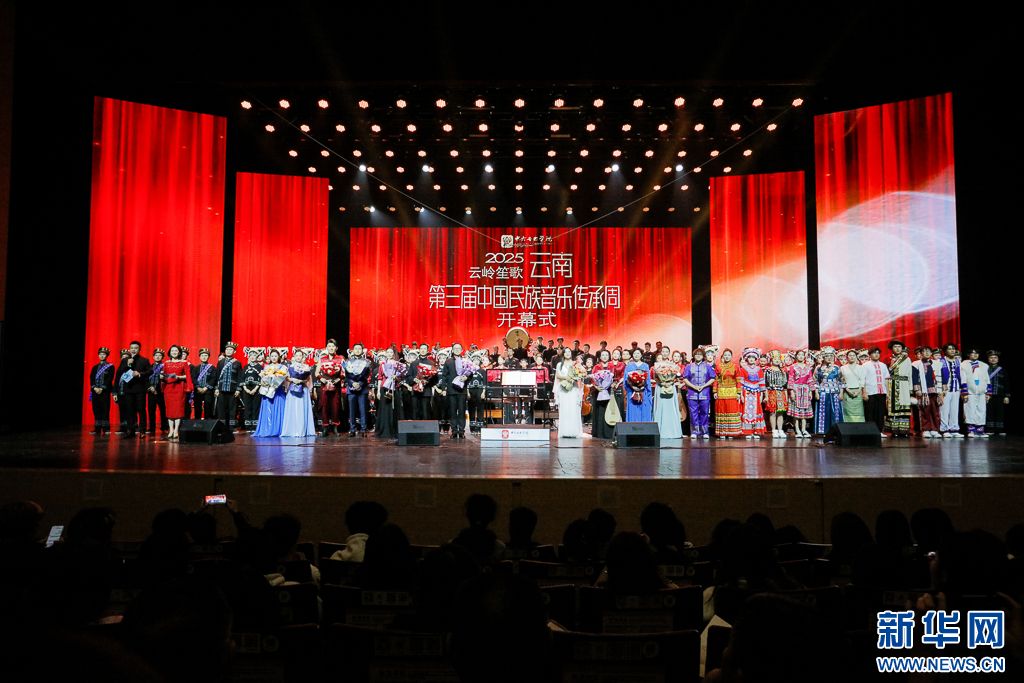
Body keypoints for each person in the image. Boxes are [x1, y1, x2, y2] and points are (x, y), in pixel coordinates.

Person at [115, 341, 153, 438]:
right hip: (128, 389)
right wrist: (127, 364)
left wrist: (140, 374)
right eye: (132, 348)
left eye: (136, 348)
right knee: (129, 410)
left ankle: (142, 430)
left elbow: (150, 371)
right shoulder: (125, 360)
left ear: (140, 349)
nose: (133, 350)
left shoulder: (144, 360)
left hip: (140, 389)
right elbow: (119, 372)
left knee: (141, 410)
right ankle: (130, 430)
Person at [440, 342, 474, 439]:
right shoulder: (448, 361)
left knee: (462, 411)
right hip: (451, 390)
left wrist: (466, 378)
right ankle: (454, 431)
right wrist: (443, 388)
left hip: (462, 390)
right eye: (455, 348)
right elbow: (444, 376)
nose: (457, 350)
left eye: (459, 348)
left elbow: (471, 374)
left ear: (462, 350)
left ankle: (462, 431)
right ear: (452, 350)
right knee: (452, 411)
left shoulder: (465, 361)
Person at [160, 345, 194, 440]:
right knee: (169, 410)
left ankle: (176, 431)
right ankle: (171, 430)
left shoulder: (184, 363)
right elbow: (164, 375)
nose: (174, 352)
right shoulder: (166, 363)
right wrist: (162, 378)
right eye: (172, 351)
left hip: (179, 388)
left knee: (178, 410)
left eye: (176, 351)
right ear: (170, 352)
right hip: (168, 388)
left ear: (179, 352)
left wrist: (178, 377)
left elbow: (187, 376)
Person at [281, 349, 316, 437]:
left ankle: (302, 430)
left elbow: (308, 379)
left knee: (302, 408)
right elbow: (287, 378)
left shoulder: (306, 367)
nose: (298, 357)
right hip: (292, 388)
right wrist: (293, 379)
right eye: (297, 355)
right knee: (292, 408)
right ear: (294, 356)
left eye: (300, 356)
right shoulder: (289, 366)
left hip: (303, 388)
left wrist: (301, 380)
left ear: (303, 357)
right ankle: (291, 430)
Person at [683, 347, 715, 438]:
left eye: (700, 355)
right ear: (694, 356)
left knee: (705, 413)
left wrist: (704, 386)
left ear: (703, 356)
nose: (698, 356)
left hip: (704, 393)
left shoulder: (707, 366)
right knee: (693, 413)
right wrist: (693, 386)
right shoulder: (689, 366)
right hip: (692, 393)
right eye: (696, 354)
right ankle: (694, 431)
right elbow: (685, 378)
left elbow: (713, 378)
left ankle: (705, 432)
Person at [254, 349, 287, 437]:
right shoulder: (266, 367)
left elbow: (284, 380)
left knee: (279, 409)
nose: (274, 358)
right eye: (272, 356)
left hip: (278, 391)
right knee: (268, 409)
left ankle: (279, 430)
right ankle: (267, 429)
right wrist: (264, 383)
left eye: (275, 356)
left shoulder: (283, 367)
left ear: (279, 357)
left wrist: (277, 383)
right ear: (269, 357)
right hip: (268, 391)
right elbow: (262, 380)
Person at [960, 347, 992, 437]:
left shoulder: (983, 365)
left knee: (981, 409)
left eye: (976, 353)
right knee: (970, 409)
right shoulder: (964, 365)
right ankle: (971, 430)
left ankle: (980, 429)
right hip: (970, 390)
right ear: (968, 354)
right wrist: (965, 392)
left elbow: (987, 379)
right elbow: (963, 378)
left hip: (981, 390)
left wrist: (988, 393)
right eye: (972, 353)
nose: (975, 355)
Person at [316, 339, 344, 436]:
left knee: (335, 406)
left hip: (336, 385)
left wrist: (338, 379)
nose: (331, 348)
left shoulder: (340, 359)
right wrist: (321, 378)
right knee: (325, 406)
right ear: (326, 348)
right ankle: (325, 427)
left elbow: (344, 373)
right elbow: (316, 372)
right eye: (329, 346)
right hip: (325, 385)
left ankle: (335, 427)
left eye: (333, 346)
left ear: (336, 348)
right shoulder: (322, 359)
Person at [375, 347, 405, 438]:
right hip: (385, 388)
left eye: (391, 352)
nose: (389, 354)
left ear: (393, 354)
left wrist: (396, 377)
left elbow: (401, 378)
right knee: (385, 409)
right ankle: (385, 429)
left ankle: (395, 429)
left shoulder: (398, 365)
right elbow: (380, 378)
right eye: (387, 352)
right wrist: (378, 391)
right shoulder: (382, 365)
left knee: (394, 408)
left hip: (395, 388)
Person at [814, 346, 845, 434]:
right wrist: (816, 393)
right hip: (823, 392)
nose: (829, 358)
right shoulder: (818, 368)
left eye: (831, 356)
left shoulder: (837, 368)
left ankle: (836, 431)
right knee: (823, 412)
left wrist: (841, 393)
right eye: (827, 356)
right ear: (823, 357)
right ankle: (822, 431)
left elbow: (841, 381)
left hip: (835, 392)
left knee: (835, 412)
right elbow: (815, 381)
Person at [884, 340, 912, 436]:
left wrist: (911, 388)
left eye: (899, 347)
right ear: (891, 349)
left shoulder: (907, 359)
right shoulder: (887, 359)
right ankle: (894, 430)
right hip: (891, 384)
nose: (897, 349)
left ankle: (903, 430)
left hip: (904, 385)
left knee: (904, 405)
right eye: (895, 347)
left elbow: (910, 374)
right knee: (892, 407)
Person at [344, 343, 372, 436]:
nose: (357, 350)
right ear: (353, 350)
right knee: (352, 410)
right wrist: (352, 383)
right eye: (355, 348)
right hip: (351, 388)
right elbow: (346, 376)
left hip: (362, 389)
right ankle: (352, 429)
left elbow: (367, 376)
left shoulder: (366, 362)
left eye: (359, 349)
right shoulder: (348, 362)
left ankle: (363, 429)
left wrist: (360, 383)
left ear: (362, 351)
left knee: (363, 410)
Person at [738, 348, 767, 438]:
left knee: (756, 411)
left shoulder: (759, 369)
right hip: (746, 392)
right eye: (749, 358)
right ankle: (748, 431)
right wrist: (741, 395)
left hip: (756, 393)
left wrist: (762, 395)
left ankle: (756, 431)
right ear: (747, 359)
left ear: (756, 359)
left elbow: (761, 383)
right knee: (747, 412)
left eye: (753, 358)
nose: (751, 359)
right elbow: (741, 383)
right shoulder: (743, 369)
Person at [555, 347, 583, 437]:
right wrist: (566, 378)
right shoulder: (560, 364)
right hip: (563, 389)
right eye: (565, 352)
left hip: (573, 388)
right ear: (563, 354)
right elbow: (558, 375)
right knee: (565, 409)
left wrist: (574, 379)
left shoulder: (575, 364)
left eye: (569, 352)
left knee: (573, 408)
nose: (567, 353)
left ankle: (574, 432)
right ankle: (565, 432)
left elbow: (580, 374)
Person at [713, 349, 742, 439]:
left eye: (728, 355)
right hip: (721, 392)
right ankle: (722, 432)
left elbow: (738, 381)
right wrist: (714, 391)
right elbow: (716, 380)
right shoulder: (719, 366)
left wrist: (738, 392)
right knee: (722, 411)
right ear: (723, 356)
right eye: (725, 355)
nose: (727, 357)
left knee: (731, 411)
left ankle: (731, 432)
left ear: (731, 356)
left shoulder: (735, 367)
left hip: (732, 392)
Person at [651, 356, 683, 438]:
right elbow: (654, 377)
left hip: (670, 386)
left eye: (666, 351)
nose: (664, 353)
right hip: (660, 386)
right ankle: (659, 430)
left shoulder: (672, 366)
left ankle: (672, 431)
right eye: (663, 351)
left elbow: (677, 378)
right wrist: (661, 382)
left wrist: (670, 382)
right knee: (661, 407)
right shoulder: (656, 366)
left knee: (670, 408)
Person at [911, 346, 939, 436]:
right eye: (924, 351)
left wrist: (942, 389)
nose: (926, 353)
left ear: (931, 353)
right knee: (925, 410)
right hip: (923, 391)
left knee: (935, 411)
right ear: (921, 353)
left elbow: (941, 376)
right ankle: (926, 429)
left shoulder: (937, 364)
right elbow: (915, 378)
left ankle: (935, 429)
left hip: (935, 390)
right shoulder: (916, 364)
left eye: (928, 351)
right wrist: (917, 389)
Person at [936, 343, 963, 438]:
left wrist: (962, 388)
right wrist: (940, 388)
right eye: (950, 349)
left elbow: (961, 375)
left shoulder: (958, 362)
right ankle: (944, 429)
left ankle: (954, 429)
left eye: (953, 349)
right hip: (945, 389)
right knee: (944, 409)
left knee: (955, 409)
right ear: (945, 351)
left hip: (956, 388)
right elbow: (938, 375)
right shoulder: (940, 361)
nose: (952, 350)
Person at [861, 346, 890, 435]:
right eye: (874, 353)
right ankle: (870, 431)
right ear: (870, 355)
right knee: (870, 413)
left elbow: (886, 379)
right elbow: (863, 379)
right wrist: (864, 392)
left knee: (880, 413)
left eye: (878, 353)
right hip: (870, 392)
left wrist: (887, 392)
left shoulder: (883, 365)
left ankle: (879, 431)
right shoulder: (865, 365)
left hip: (881, 392)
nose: (876, 355)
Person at [214, 342, 242, 431]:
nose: (228, 351)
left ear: (234, 351)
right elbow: (217, 376)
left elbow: (239, 376)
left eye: (231, 350)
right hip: (222, 389)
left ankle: (231, 428)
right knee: (221, 409)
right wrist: (216, 388)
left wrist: (238, 389)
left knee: (232, 409)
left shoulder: (237, 363)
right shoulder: (220, 363)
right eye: (227, 349)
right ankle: (222, 427)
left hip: (232, 389)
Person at [88, 347, 116, 435]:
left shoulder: (110, 367)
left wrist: (102, 388)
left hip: (105, 391)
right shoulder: (95, 367)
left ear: (107, 356)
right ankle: (97, 428)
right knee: (96, 409)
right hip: (95, 391)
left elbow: (109, 378)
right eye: (100, 354)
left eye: (104, 354)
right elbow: (92, 378)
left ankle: (106, 428)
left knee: (105, 409)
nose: (102, 356)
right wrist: (94, 388)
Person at [786, 349, 814, 437]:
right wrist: (791, 391)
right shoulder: (793, 367)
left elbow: (810, 379)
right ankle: (797, 429)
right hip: (796, 389)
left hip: (805, 389)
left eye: (802, 355)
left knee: (804, 411)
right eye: (799, 355)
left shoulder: (807, 367)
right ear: (796, 356)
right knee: (796, 411)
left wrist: (810, 392)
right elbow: (791, 379)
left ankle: (804, 429)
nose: (801, 356)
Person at [590, 350, 616, 439]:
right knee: (599, 412)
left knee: (608, 411)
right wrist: (597, 386)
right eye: (603, 355)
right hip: (598, 392)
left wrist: (611, 384)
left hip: (608, 392)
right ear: (600, 357)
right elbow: (592, 379)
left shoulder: (612, 367)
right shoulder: (596, 367)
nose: (605, 357)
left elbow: (614, 378)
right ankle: (598, 433)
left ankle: (608, 433)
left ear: (609, 357)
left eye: (606, 355)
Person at [764, 350, 789, 437]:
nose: (777, 360)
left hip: (781, 393)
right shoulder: (768, 371)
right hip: (771, 392)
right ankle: (774, 430)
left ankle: (780, 430)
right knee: (772, 412)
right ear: (772, 360)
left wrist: (786, 397)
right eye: (775, 359)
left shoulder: (783, 371)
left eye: (778, 359)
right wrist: (766, 396)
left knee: (780, 412)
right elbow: (766, 385)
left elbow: (785, 386)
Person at [624, 348, 652, 422]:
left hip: (643, 391)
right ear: (632, 355)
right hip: (632, 392)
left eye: (638, 353)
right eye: (635, 353)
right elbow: (626, 379)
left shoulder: (645, 366)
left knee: (643, 409)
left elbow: (648, 380)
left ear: (641, 355)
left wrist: (642, 387)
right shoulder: (629, 366)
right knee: (633, 410)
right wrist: (633, 387)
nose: (636, 355)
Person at [986, 350, 1010, 436]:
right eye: (991, 357)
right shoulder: (985, 369)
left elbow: (1006, 383)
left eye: (995, 358)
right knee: (989, 412)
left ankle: (999, 429)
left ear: (998, 359)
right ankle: (990, 429)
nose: (993, 359)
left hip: (1000, 394)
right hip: (988, 394)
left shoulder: (1002, 370)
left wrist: (1007, 396)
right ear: (988, 359)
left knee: (999, 412)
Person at [840, 349, 866, 424]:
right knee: (847, 411)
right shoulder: (843, 368)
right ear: (847, 357)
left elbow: (862, 380)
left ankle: (859, 426)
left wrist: (858, 391)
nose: (852, 357)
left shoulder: (860, 368)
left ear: (856, 357)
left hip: (858, 391)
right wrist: (848, 390)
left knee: (858, 411)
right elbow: (842, 381)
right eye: (850, 355)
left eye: (853, 355)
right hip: (847, 391)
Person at [240, 349, 263, 434]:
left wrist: (255, 389)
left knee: (255, 407)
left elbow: (261, 379)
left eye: (254, 356)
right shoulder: (246, 367)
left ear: (257, 357)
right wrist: (245, 389)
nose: (252, 357)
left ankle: (254, 426)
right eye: (251, 356)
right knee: (247, 407)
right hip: (246, 389)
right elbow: (242, 378)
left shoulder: (259, 367)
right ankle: (248, 426)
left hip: (256, 389)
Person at [145, 348, 168, 436]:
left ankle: (164, 427)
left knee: (163, 410)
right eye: (156, 355)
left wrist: (157, 388)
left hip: (161, 392)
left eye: (160, 355)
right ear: (153, 357)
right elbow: (146, 378)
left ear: (162, 357)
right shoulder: (149, 367)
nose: (158, 357)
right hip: (151, 391)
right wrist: (149, 387)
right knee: (151, 410)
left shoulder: (165, 366)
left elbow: (167, 378)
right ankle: (151, 427)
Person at [191, 348, 217, 420]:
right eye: (202, 355)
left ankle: (207, 423)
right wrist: (198, 387)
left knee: (208, 408)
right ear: (199, 357)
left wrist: (206, 387)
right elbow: (193, 378)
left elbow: (213, 378)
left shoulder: (212, 368)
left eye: (206, 355)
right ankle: (197, 423)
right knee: (197, 408)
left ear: (208, 357)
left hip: (208, 391)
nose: (204, 357)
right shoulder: (196, 368)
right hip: (198, 391)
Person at [466, 351, 489, 434]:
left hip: (479, 390)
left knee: (480, 408)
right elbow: (467, 382)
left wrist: (483, 392)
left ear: (480, 361)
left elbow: (485, 383)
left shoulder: (482, 371)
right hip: (471, 390)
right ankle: (472, 428)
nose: (476, 362)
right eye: (474, 360)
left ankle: (479, 427)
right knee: (471, 408)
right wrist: (467, 392)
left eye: (477, 360)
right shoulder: (469, 371)